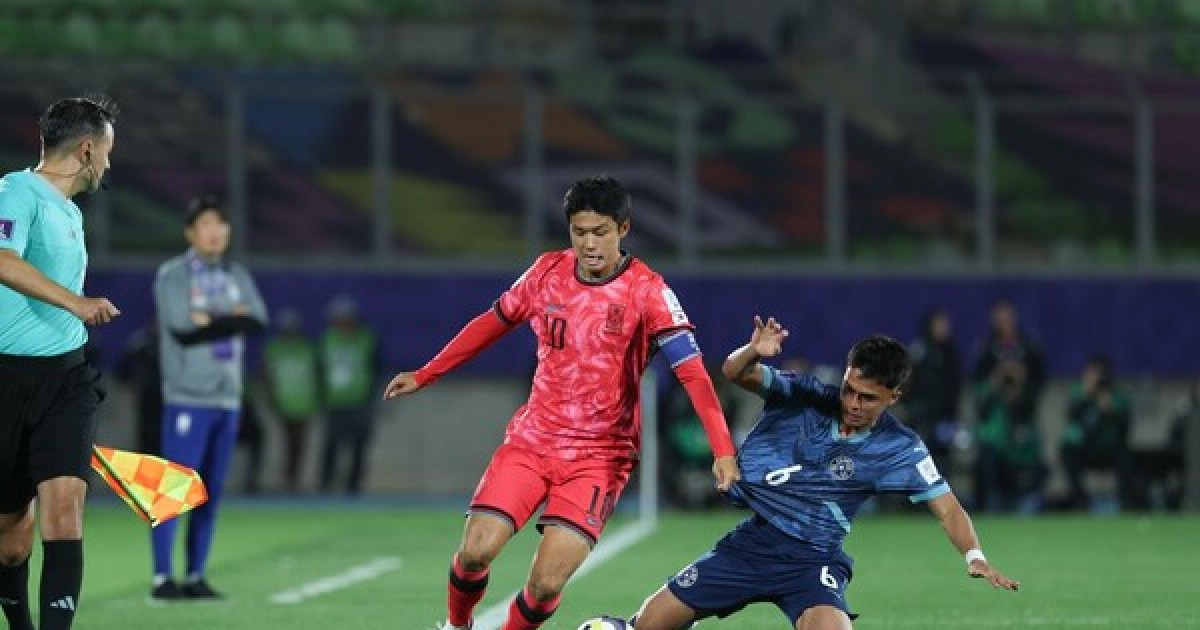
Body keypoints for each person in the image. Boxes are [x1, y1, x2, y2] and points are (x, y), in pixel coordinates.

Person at [383, 175, 739, 630]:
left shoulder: (648, 292)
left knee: (546, 584)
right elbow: (491, 322)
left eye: (600, 232)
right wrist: (427, 373)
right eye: (579, 232)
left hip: (599, 458)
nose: (589, 244)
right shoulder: (546, 273)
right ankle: (457, 625)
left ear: (623, 229)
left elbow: (692, 373)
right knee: (475, 551)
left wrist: (723, 450)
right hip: (533, 441)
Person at [625, 321, 1019, 630]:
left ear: (893, 397)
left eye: (867, 397)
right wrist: (753, 351)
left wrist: (975, 556)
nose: (852, 403)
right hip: (752, 545)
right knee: (647, 624)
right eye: (849, 389)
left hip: (813, 562)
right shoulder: (805, 395)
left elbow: (948, 509)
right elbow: (734, 372)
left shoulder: (900, 448)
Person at [0, 95, 121, 630]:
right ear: (88, 149)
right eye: (109, 152)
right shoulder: (14, 191)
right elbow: (1, 259)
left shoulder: (70, 213)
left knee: (66, 510)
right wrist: (76, 302)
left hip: (67, 378)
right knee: (11, 539)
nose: (109, 165)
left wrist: (75, 313)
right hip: (7, 380)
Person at [150, 194, 267, 601]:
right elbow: (182, 328)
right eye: (205, 225)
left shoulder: (237, 274)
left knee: (210, 491)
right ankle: (162, 578)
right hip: (188, 397)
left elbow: (258, 320)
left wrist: (211, 320)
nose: (214, 232)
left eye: (221, 224)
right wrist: (232, 318)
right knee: (174, 490)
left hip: (227, 398)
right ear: (190, 232)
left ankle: (196, 574)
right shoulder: (174, 274)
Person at [318, 296, 380, 495]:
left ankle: (353, 486)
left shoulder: (366, 338)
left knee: (358, 446)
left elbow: (374, 368)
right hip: (335, 401)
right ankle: (326, 483)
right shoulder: (327, 339)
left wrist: (372, 398)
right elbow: (319, 369)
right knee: (331, 445)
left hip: (359, 402)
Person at [1059, 356, 1131, 511]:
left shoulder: (1116, 395)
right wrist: (1087, 396)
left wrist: (1110, 411)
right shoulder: (1079, 391)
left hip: (1108, 448)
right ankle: (1079, 499)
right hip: (1085, 447)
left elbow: (1125, 428)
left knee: (1126, 455)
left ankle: (1126, 500)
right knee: (1068, 450)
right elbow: (1072, 416)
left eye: (1098, 374)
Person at [263, 308, 319, 493]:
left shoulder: (307, 349)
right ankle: (282, 478)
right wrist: (270, 400)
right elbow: (267, 376)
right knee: (284, 443)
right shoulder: (274, 349)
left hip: (303, 404)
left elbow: (316, 375)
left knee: (298, 444)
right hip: (282, 404)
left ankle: (293, 478)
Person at [903, 308, 962, 461]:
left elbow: (956, 386)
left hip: (946, 418)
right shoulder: (919, 352)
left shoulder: (950, 354)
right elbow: (908, 385)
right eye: (939, 324)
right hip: (920, 417)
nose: (944, 328)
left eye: (945, 324)